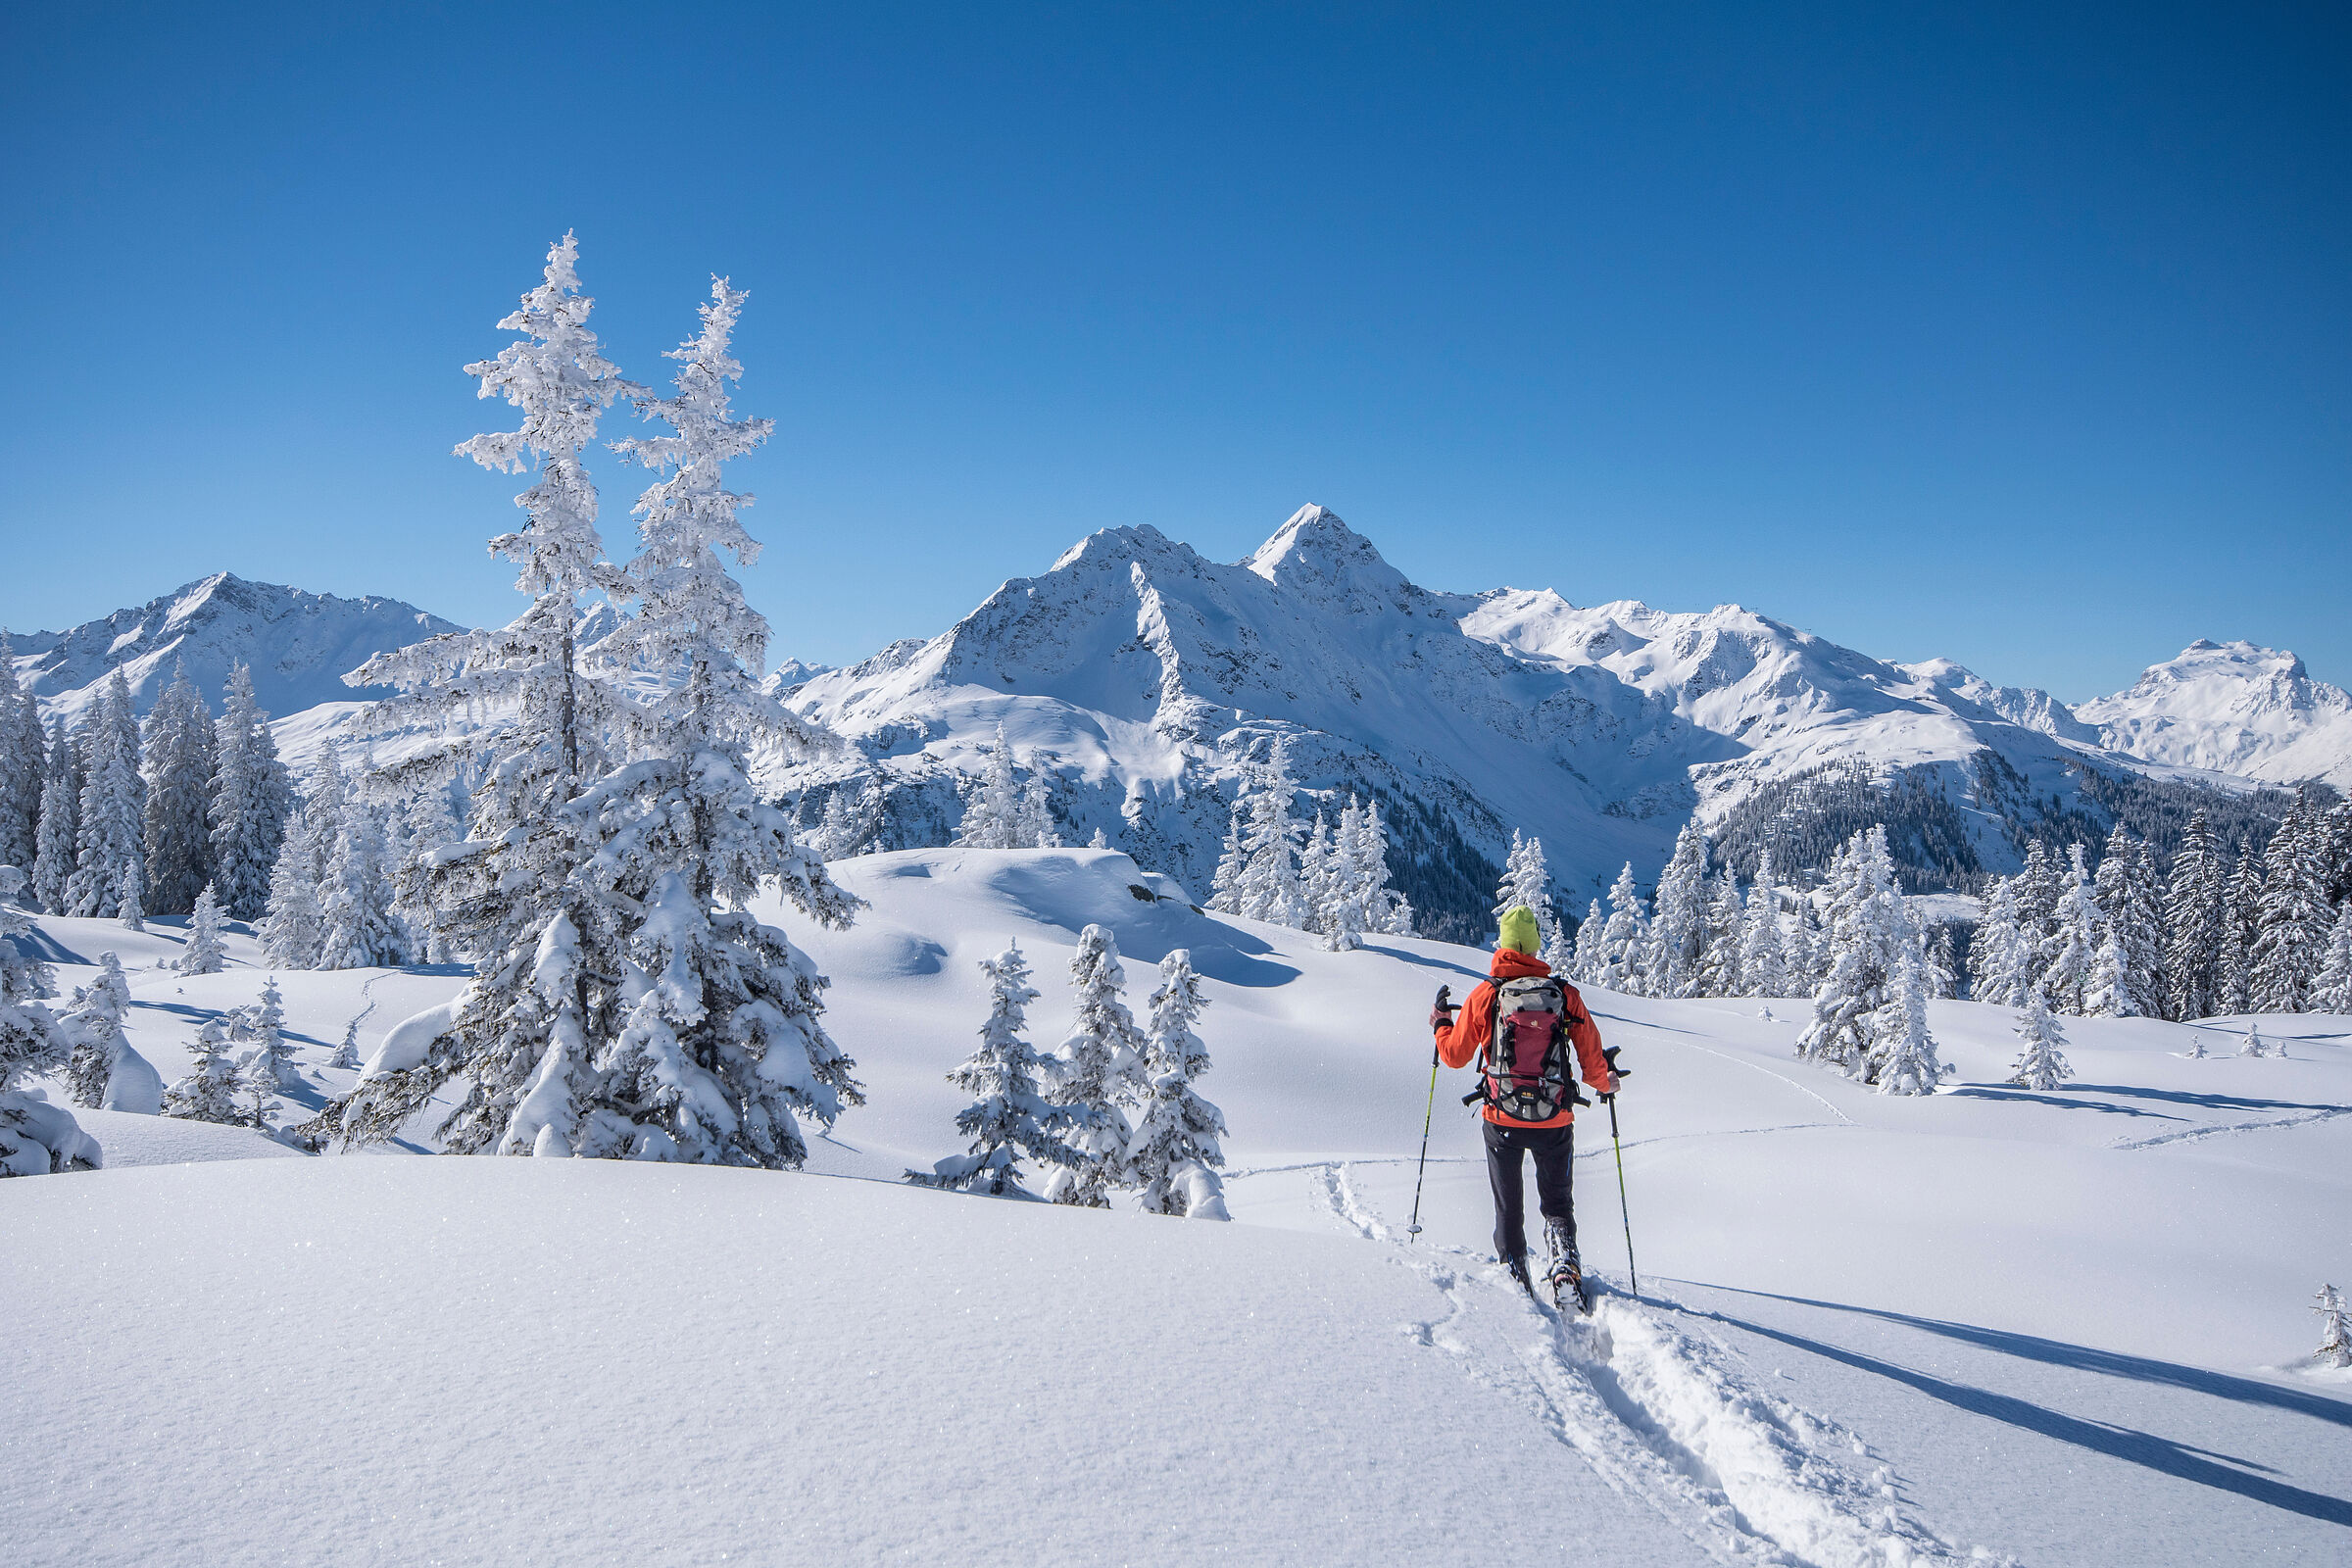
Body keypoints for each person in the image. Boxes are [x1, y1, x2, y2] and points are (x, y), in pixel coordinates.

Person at [1430, 904, 1618, 1301]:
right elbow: (1590, 1060)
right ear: (1534, 947)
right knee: (1556, 1201)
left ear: (1502, 943)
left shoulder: (1486, 996)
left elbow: (1454, 1056)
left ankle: (1516, 1275)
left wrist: (1441, 1024)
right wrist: (1607, 1081)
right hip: (1554, 1120)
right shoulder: (1565, 996)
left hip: (1501, 1120)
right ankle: (1564, 1262)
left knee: (1508, 1206)